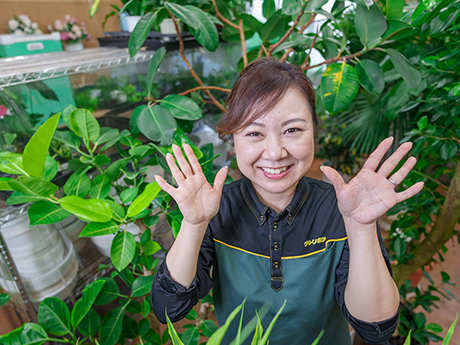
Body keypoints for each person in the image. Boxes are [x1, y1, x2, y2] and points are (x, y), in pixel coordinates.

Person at [150, 57, 424, 345]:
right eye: (254, 133)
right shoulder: (216, 209)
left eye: (292, 130)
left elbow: (376, 328)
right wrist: (194, 225)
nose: (275, 152)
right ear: (233, 139)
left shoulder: (343, 209)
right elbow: (169, 308)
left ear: (314, 131)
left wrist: (361, 226)